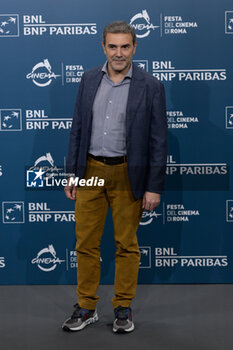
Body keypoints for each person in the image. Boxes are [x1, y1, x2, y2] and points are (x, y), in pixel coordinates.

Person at [62, 20, 167, 333]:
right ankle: (86, 307)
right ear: (103, 47)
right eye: (113, 46)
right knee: (86, 243)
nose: (119, 53)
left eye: (125, 46)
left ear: (135, 47)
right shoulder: (89, 78)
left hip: (128, 173)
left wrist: (153, 187)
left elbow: (158, 141)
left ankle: (123, 307)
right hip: (90, 171)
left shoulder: (151, 86)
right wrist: (72, 173)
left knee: (126, 244)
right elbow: (77, 128)